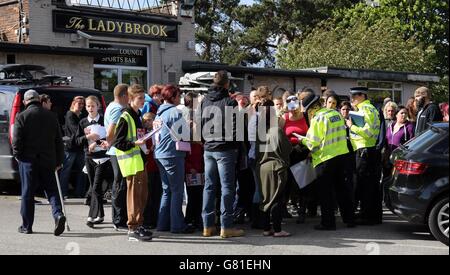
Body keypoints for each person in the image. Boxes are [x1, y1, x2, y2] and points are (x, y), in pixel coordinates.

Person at [198, 70, 244, 238]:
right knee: (227, 188)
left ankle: (208, 226)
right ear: (227, 84)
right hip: (225, 149)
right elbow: (237, 129)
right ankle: (226, 226)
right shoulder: (229, 102)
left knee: (209, 187)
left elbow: (199, 125)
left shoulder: (204, 101)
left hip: (209, 148)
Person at [12, 90, 66, 236]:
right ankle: (58, 215)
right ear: (38, 100)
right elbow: (58, 141)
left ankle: (27, 226)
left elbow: (16, 141)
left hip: (28, 160)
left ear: (25, 101)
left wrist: (17, 156)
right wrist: (59, 160)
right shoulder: (51, 116)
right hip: (48, 160)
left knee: (28, 193)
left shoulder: (21, 116)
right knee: (52, 190)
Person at [300, 92, 355, 230]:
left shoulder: (318, 118)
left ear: (313, 108)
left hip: (325, 159)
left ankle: (328, 223)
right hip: (341, 156)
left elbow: (313, 143)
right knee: (342, 189)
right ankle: (349, 219)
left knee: (325, 192)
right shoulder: (335, 114)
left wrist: (301, 139)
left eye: (309, 110)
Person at [113, 84, 152, 242]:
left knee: (142, 196)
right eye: (140, 98)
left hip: (140, 161)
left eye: (143, 97)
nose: (143, 100)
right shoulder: (125, 116)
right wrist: (135, 144)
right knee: (134, 197)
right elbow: (118, 142)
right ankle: (133, 228)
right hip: (131, 163)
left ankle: (139, 224)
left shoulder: (137, 115)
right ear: (130, 99)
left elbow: (138, 136)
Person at [153, 85, 194, 234]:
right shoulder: (175, 113)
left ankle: (163, 224)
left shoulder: (159, 113)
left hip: (160, 154)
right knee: (177, 191)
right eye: (179, 96)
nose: (180, 98)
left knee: (166, 190)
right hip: (172, 155)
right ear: (174, 97)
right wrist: (189, 127)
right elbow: (185, 135)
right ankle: (177, 225)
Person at [346, 87, 382, 225]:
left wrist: (351, 126)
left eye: (355, 96)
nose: (352, 98)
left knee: (364, 184)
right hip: (368, 149)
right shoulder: (370, 107)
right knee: (370, 184)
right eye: (351, 95)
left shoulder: (365, 109)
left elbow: (367, 131)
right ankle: (371, 215)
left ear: (363, 95)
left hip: (364, 150)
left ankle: (367, 216)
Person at [257, 100, 292, 237]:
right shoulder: (276, 130)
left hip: (261, 167)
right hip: (276, 166)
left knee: (265, 199)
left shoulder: (260, 131)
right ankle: (278, 229)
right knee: (277, 198)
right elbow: (287, 148)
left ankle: (267, 228)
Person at [75, 96, 110, 228]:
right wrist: (87, 137)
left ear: (98, 106)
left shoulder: (104, 120)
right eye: (88, 106)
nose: (90, 108)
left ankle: (91, 216)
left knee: (95, 187)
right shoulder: (83, 122)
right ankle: (100, 215)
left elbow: (108, 138)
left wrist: (96, 142)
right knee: (95, 188)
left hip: (103, 157)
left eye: (93, 106)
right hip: (89, 157)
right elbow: (76, 141)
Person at [279, 95, 310, 224]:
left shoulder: (306, 116)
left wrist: (308, 151)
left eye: (294, 103)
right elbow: (277, 132)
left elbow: (312, 134)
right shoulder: (285, 117)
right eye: (289, 103)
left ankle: (302, 211)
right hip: (288, 153)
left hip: (302, 152)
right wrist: (283, 111)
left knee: (302, 183)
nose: (293, 107)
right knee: (286, 183)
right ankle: (284, 209)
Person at [104, 84, 129, 231]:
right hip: (116, 151)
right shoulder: (117, 109)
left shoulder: (111, 106)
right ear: (124, 95)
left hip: (114, 150)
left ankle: (118, 218)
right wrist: (110, 142)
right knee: (119, 185)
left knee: (118, 184)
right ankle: (118, 219)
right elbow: (111, 132)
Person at [60, 96, 86, 199]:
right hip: (70, 148)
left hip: (80, 147)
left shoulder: (81, 115)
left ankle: (79, 192)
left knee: (83, 171)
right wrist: (85, 131)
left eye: (82, 104)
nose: (81, 106)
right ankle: (62, 192)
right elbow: (75, 130)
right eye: (79, 103)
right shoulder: (70, 114)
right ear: (73, 104)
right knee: (66, 170)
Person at [141, 112, 162, 230]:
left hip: (158, 167)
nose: (147, 123)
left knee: (157, 194)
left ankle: (156, 219)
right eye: (144, 121)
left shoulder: (158, 133)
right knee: (147, 195)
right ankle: (147, 219)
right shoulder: (142, 134)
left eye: (149, 120)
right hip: (148, 167)